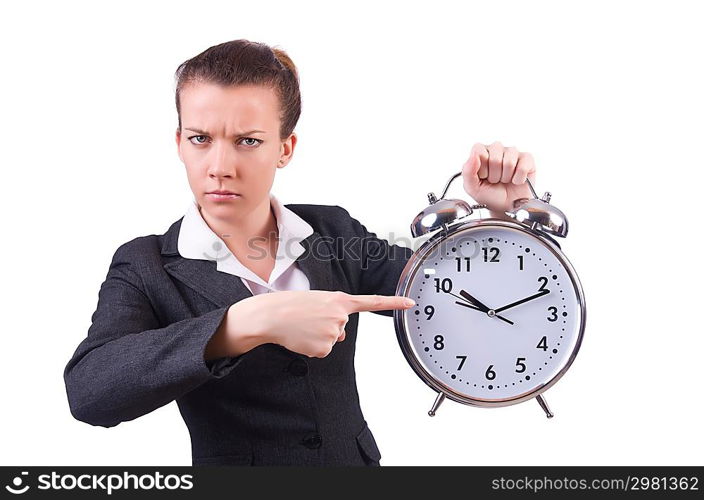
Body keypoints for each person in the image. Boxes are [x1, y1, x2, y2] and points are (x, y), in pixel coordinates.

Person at [63, 39, 537, 466]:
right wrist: (246, 324)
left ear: (284, 148)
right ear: (179, 143)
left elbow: (456, 295)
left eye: (248, 141)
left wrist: (496, 215)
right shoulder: (147, 265)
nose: (220, 167)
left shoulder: (331, 232)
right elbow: (90, 392)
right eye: (200, 139)